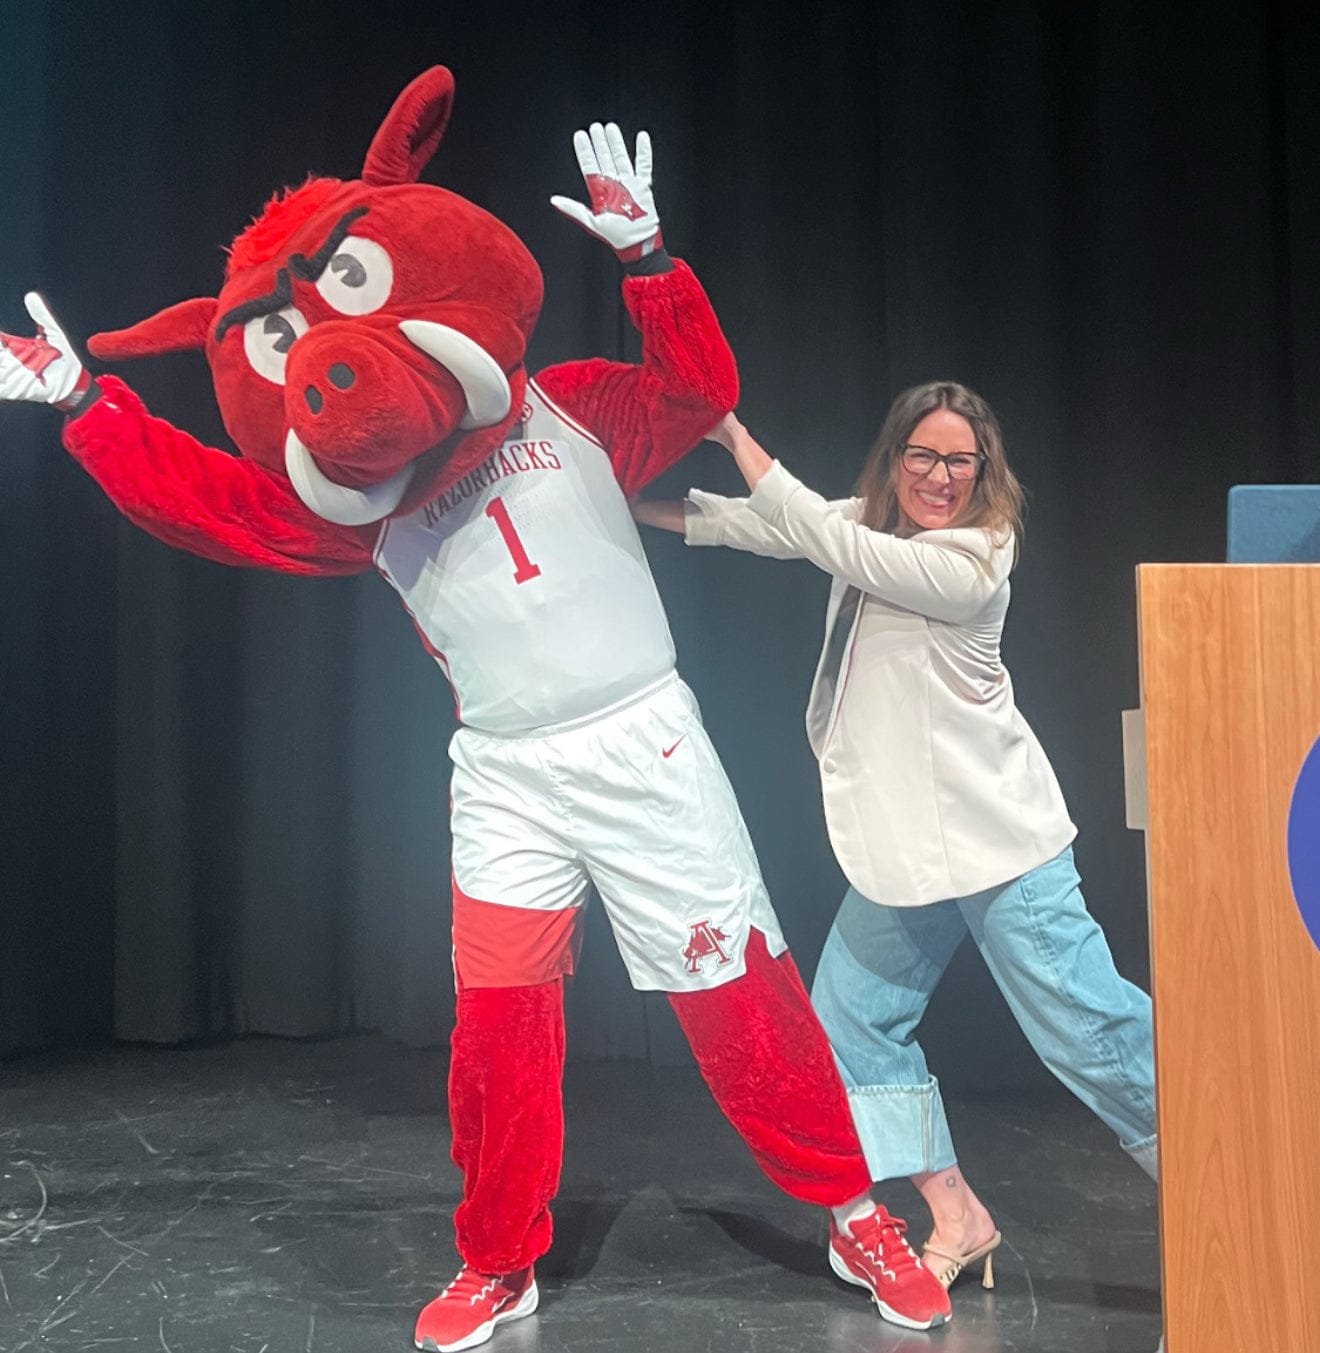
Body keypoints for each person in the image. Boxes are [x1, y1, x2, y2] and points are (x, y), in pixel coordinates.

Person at [0, 88, 952, 1349]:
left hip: (645, 748)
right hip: (506, 773)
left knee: (742, 1002)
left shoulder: (567, 407)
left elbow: (699, 388)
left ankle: (850, 1208)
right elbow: (210, 502)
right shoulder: (363, 509)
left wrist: (648, 261)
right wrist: (89, 408)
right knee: (499, 1030)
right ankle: (500, 1259)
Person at [634, 382, 1158, 1295]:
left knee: (1094, 1034)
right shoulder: (877, 527)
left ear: (984, 472)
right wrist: (620, 501)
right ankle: (958, 1212)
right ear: (896, 458)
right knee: (848, 1023)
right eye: (924, 456)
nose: (941, 477)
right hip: (906, 852)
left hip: (999, 848)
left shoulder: (976, 557)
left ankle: (1231, 1189)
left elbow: (824, 536)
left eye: (961, 460)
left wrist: (733, 434)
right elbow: (764, 525)